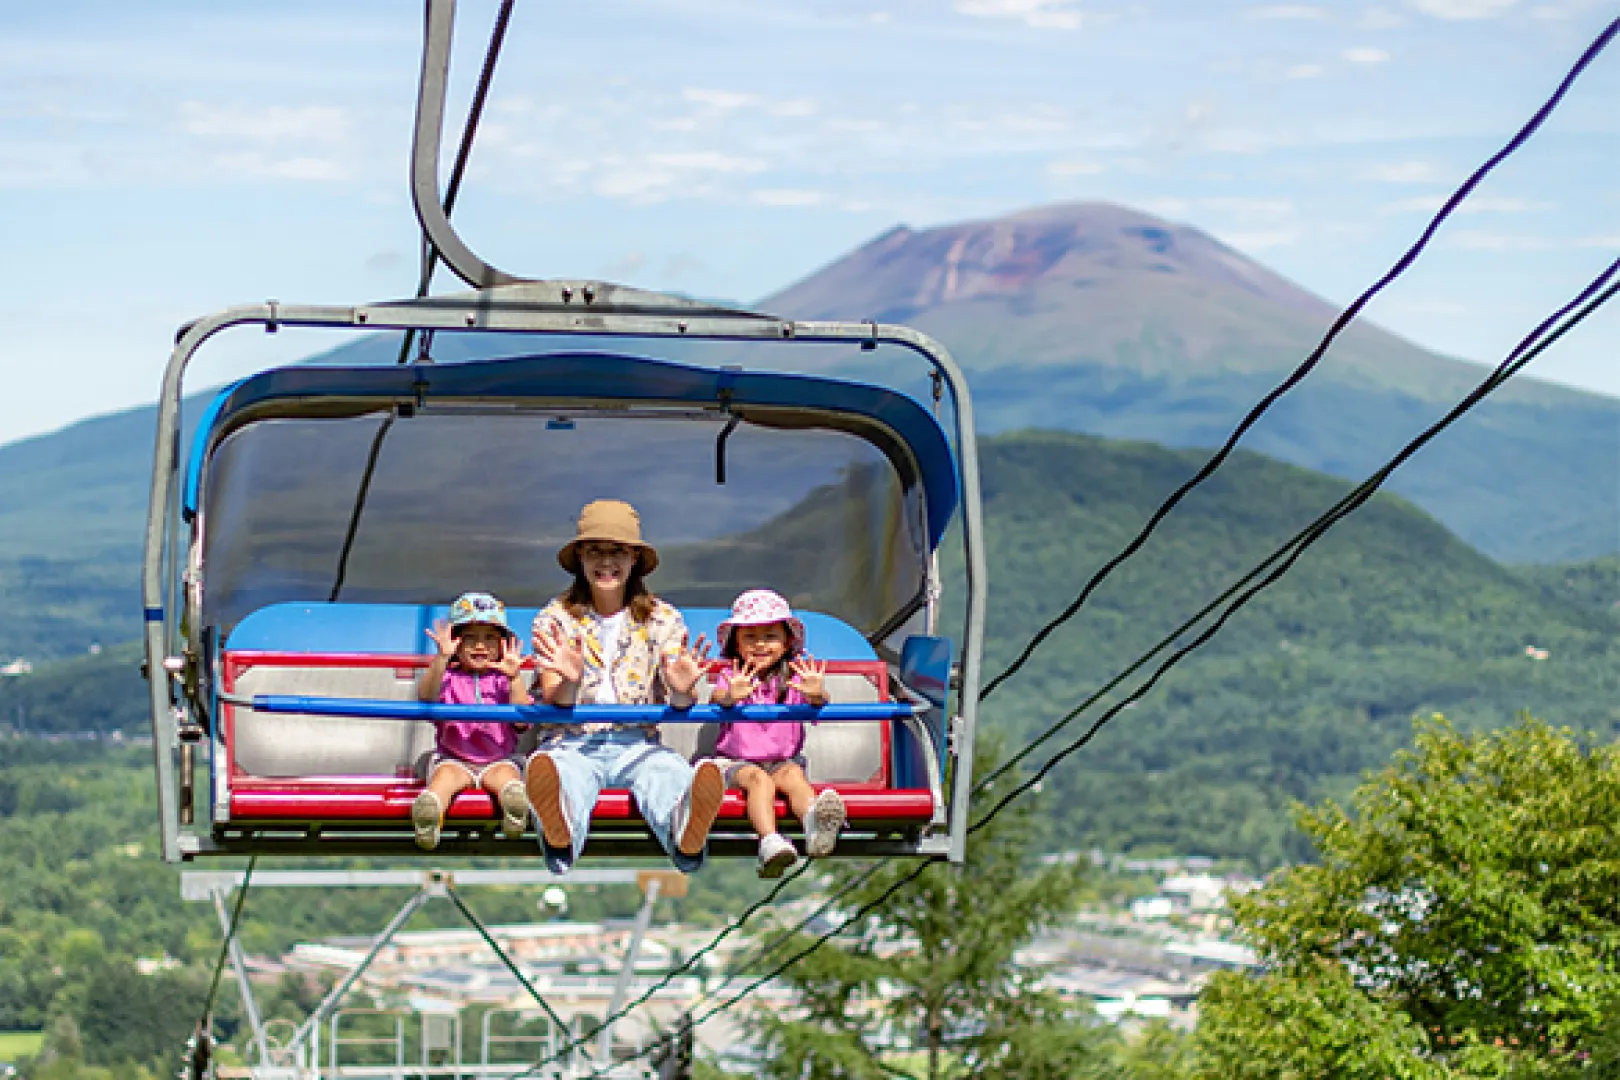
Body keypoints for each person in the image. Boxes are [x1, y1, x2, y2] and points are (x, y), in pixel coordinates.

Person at [524, 500, 723, 875]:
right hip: (572, 740)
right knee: (563, 773)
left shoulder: (663, 619)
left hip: (636, 742)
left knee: (667, 771)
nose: (606, 562)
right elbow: (554, 700)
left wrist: (682, 689)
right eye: (595, 551)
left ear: (634, 559)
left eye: (617, 551)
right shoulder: (555, 618)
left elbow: (681, 699)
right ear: (580, 558)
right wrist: (570, 681)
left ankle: (686, 828)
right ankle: (560, 824)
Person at [708, 589, 847, 877]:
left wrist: (816, 694)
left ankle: (814, 823)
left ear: (786, 643)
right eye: (750, 637)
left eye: (770, 636)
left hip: (782, 761)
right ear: (736, 643)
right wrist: (731, 696)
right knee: (759, 781)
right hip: (737, 763)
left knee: (794, 776)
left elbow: (817, 701)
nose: (760, 644)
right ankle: (769, 840)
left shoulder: (794, 679)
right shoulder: (732, 676)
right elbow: (718, 697)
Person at [412, 591, 532, 850]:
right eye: (470, 638)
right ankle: (430, 813)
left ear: (503, 645)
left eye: (489, 638)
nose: (480, 646)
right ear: (455, 643)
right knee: (444, 779)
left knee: (507, 778)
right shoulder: (448, 677)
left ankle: (514, 809)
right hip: (455, 759)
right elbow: (426, 697)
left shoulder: (503, 679)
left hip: (497, 759)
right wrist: (441, 659)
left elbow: (522, 720)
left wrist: (514, 678)